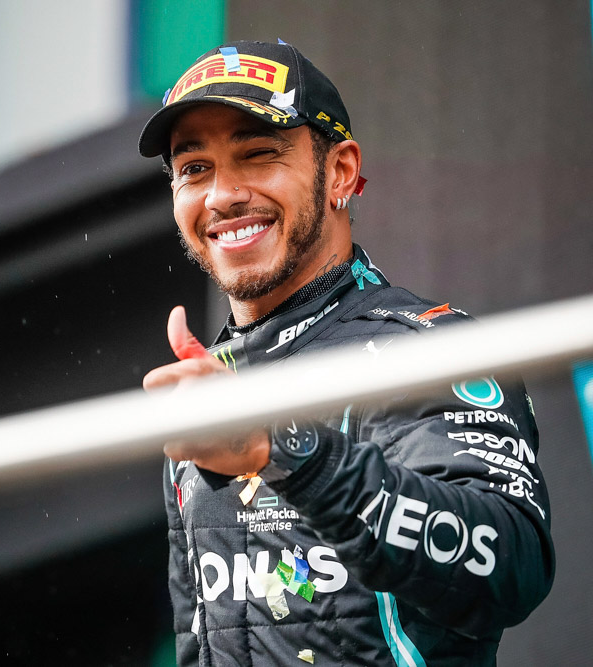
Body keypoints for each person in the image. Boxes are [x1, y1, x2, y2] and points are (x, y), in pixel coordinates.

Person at [138, 40, 553, 666]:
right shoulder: (209, 383)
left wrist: (282, 448)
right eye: (194, 170)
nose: (221, 196)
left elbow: (511, 565)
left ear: (339, 172)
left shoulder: (422, 350)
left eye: (257, 154)